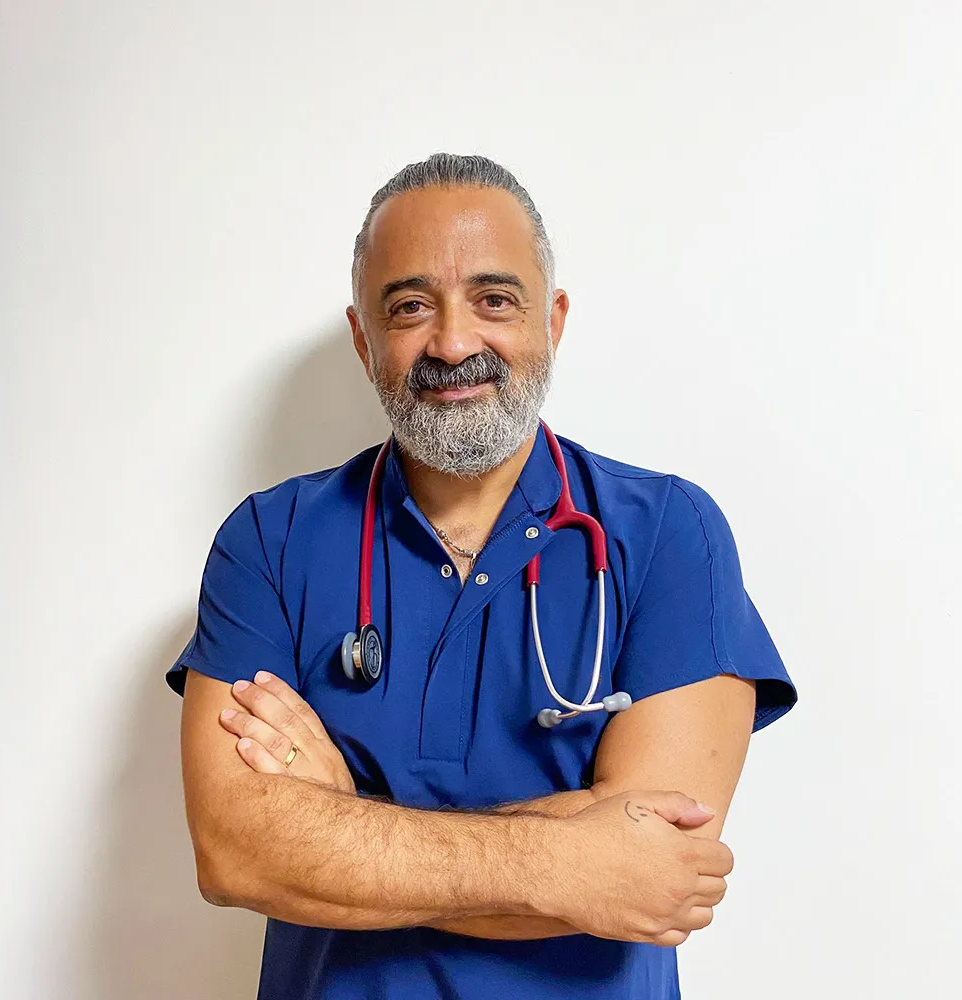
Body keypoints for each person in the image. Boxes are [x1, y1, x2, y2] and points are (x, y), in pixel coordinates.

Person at [166, 152, 797, 1000]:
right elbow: (237, 852)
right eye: (410, 306)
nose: (454, 343)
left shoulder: (667, 533)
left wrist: (341, 818)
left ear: (553, 322)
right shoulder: (269, 542)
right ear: (362, 338)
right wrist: (569, 857)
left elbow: (656, 868)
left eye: (494, 299)